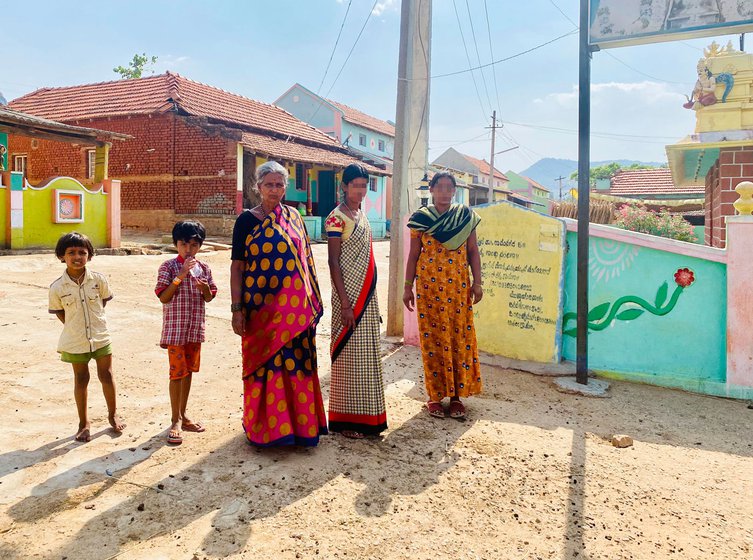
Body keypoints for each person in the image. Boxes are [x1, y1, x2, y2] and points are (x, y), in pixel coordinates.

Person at [230, 160, 328, 447]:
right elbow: (238, 267)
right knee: (265, 365)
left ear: (286, 187)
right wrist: (237, 309)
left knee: (296, 364)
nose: (275, 189)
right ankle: (265, 430)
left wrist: (311, 300)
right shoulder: (247, 221)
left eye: (279, 184)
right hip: (261, 311)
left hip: (296, 312)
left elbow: (306, 262)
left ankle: (300, 428)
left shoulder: (295, 217)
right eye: (269, 184)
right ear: (258, 187)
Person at [403, 172, 483, 419]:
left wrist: (477, 283)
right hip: (429, 290)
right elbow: (414, 254)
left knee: (459, 338)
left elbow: (473, 251)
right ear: (432, 190)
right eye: (440, 187)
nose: (445, 192)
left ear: (454, 191)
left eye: (450, 188)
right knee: (433, 341)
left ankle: (457, 397)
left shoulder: (465, 217)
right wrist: (407, 286)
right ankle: (435, 396)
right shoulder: (421, 219)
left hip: (458, 289)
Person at [325, 163, 387, 439]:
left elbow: (367, 257)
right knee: (348, 357)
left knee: (365, 356)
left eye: (364, 185)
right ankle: (345, 419)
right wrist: (346, 304)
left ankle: (367, 417)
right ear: (345, 186)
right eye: (356, 185)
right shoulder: (336, 218)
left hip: (366, 295)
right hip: (347, 298)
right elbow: (334, 262)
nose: (361, 190)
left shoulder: (360, 214)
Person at [48, 232, 126, 442]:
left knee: (107, 375)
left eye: (82, 252)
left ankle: (112, 413)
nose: (77, 256)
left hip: (100, 337)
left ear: (89, 256)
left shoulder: (98, 280)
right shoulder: (57, 287)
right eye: (71, 252)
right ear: (61, 256)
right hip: (75, 340)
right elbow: (60, 312)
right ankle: (84, 423)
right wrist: (77, 327)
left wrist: (92, 324)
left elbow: (103, 302)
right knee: (81, 379)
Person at [155, 221, 217, 445]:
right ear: (175, 245)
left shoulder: (204, 269)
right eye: (183, 244)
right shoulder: (168, 267)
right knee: (176, 373)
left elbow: (210, 297)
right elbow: (164, 297)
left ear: (200, 246)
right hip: (175, 331)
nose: (188, 249)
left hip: (194, 329)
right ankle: (175, 420)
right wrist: (180, 275)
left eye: (193, 244)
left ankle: (184, 414)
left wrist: (205, 289)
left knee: (188, 372)